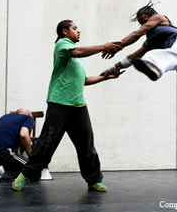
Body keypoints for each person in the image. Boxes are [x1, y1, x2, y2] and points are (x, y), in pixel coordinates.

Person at [12, 20, 122, 192]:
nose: (79, 31)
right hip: (59, 104)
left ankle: (93, 180)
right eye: (74, 28)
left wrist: (105, 77)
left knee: (86, 145)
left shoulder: (77, 61)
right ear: (64, 31)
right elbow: (77, 51)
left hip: (79, 106)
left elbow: (84, 80)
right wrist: (103, 46)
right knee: (47, 143)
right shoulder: (63, 45)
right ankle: (25, 175)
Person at [0, 108, 34, 182]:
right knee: (32, 170)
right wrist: (31, 156)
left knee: (13, 165)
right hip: (2, 153)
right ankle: (1, 175)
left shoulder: (5, 117)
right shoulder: (28, 118)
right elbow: (24, 134)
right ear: (29, 115)